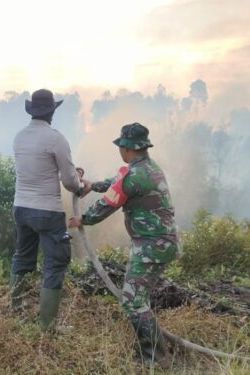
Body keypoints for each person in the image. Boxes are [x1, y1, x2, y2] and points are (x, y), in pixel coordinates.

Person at [68, 123, 178, 366]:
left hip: (152, 246)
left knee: (133, 300)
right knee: (138, 298)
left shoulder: (135, 176)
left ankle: (156, 359)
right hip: (159, 243)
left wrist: (82, 219)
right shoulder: (147, 168)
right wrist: (92, 184)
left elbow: (109, 202)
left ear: (127, 149)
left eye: (121, 147)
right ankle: (158, 350)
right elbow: (116, 181)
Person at [10, 88, 91, 332]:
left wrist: (70, 175)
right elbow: (69, 182)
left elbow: (38, 169)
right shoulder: (56, 139)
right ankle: (47, 327)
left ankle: (17, 314)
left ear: (32, 111)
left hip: (21, 208)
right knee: (55, 263)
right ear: (52, 112)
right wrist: (81, 184)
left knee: (22, 258)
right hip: (47, 211)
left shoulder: (19, 137)